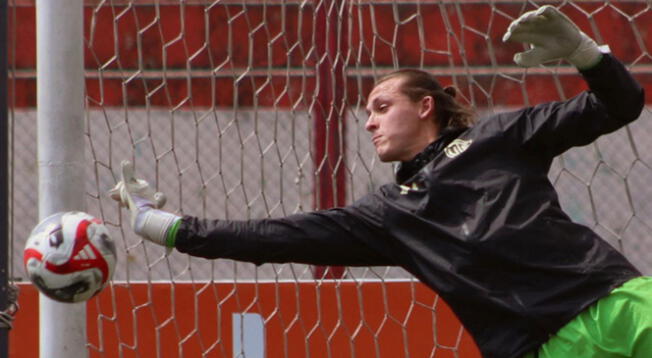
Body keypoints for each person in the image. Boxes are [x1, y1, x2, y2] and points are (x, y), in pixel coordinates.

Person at [110, 6, 649, 358]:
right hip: (540, 349)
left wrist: (586, 54)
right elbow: (272, 237)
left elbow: (619, 104)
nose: (368, 121)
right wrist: (165, 226)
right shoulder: (388, 215)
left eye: (381, 106)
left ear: (425, 105)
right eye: (366, 111)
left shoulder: (501, 137)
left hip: (613, 304)